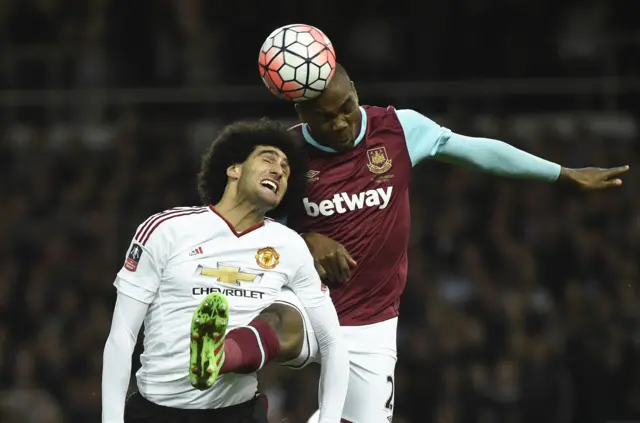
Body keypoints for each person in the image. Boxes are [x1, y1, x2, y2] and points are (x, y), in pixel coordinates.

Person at [279, 63, 628, 423]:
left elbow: (477, 151)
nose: (339, 123)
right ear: (302, 114)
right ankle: (227, 349)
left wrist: (561, 172)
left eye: (346, 108)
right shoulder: (284, 153)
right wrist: (305, 240)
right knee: (274, 329)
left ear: (354, 89)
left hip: (370, 323)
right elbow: (247, 227)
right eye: (324, 117)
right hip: (308, 302)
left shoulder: (399, 129)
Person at [101, 119, 349, 423]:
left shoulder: (288, 246)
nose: (279, 170)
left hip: (238, 412)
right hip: (159, 411)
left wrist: (331, 419)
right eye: (268, 158)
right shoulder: (168, 229)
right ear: (234, 169)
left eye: (286, 168)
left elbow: (333, 341)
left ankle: (224, 355)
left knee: (289, 317)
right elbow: (122, 335)